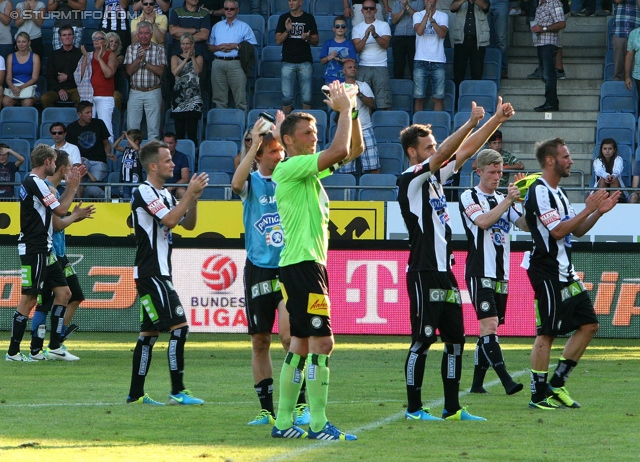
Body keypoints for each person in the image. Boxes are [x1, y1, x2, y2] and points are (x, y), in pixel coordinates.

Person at [397, 98, 515, 422]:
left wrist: (495, 120)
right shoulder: (410, 179)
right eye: (429, 146)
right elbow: (447, 152)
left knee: (456, 341)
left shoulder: (434, 180)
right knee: (422, 340)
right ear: (413, 152)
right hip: (422, 271)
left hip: (445, 272)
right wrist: (470, 122)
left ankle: (452, 407)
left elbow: (463, 152)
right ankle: (413, 408)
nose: (435, 150)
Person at [270, 81, 363, 440]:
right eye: (308, 133)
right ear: (288, 141)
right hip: (304, 265)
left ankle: (282, 423)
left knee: (301, 344)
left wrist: (351, 109)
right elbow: (339, 148)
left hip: (303, 264)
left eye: (315, 132)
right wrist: (341, 109)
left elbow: (353, 149)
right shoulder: (290, 167)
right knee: (323, 344)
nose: (314, 138)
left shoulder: (304, 170)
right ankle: (319, 424)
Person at [524, 138, 620, 410]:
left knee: (589, 324)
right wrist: (588, 208)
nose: (571, 161)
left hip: (565, 271)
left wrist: (597, 213)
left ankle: (556, 384)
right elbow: (556, 231)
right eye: (566, 157)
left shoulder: (559, 193)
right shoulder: (539, 191)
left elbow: (575, 231)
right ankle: (538, 396)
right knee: (547, 334)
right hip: (547, 272)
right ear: (551, 160)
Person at [231, 115, 311, 427]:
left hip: (288, 266)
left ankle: (300, 403)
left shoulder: (289, 178)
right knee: (259, 340)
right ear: (261, 156)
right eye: (274, 152)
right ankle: (266, 409)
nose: (280, 156)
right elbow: (236, 183)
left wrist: (281, 133)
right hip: (258, 269)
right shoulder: (252, 182)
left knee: (290, 335)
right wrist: (252, 142)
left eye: (281, 151)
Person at [127, 140, 209, 405]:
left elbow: (189, 225)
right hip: (151, 272)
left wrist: (193, 199)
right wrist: (187, 194)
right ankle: (177, 391)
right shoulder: (144, 191)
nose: (173, 164)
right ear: (153, 166)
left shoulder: (165, 195)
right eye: (168, 160)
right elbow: (170, 220)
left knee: (149, 335)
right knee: (180, 328)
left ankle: (136, 394)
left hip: (160, 271)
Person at [459, 148, 528, 395]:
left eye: (500, 172)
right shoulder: (469, 196)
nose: (497, 176)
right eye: (492, 172)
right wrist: (509, 201)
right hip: (479, 270)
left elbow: (525, 225)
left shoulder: (503, 199)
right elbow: (483, 222)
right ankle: (506, 380)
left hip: (502, 273)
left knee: (489, 328)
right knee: (489, 325)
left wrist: (525, 200)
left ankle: (477, 385)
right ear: (479, 171)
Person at [6, 144, 81, 362]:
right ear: (47, 161)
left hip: (44, 248)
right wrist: (73, 188)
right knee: (29, 299)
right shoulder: (35, 182)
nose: (56, 165)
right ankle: (13, 352)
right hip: (34, 247)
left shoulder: (34, 183)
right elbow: (59, 210)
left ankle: (54, 345)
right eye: (55, 161)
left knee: (64, 293)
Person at [29, 149, 94, 361]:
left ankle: (56, 339)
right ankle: (43, 347)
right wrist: (75, 215)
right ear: (63, 168)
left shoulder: (54, 190)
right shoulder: (48, 190)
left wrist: (75, 213)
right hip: (50, 252)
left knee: (73, 295)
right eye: (69, 167)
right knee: (50, 300)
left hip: (58, 253)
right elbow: (57, 225)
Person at [207, 1, 256, 112]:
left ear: (237, 10)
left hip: (236, 63)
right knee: (219, 100)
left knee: (240, 99)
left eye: (232, 9)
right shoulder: (216, 26)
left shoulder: (244, 27)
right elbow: (209, 47)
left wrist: (236, 46)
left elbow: (252, 46)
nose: (228, 11)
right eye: (226, 8)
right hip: (218, 63)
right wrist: (219, 47)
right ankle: (220, 126)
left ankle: (242, 125)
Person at [125, 21, 167, 141]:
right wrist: (138, 59)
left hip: (153, 91)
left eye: (146, 33)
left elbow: (160, 71)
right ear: (137, 34)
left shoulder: (159, 49)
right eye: (141, 33)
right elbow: (128, 71)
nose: (144, 36)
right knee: (132, 129)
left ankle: (152, 156)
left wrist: (145, 63)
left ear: (151, 34)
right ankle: (133, 156)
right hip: (135, 91)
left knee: (154, 129)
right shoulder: (131, 49)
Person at [275, 0, 319, 115]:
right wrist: (287, 30)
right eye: (289, 1)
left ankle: (306, 128)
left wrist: (307, 38)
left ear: (300, 2)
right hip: (287, 62)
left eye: (293, 0)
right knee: (286, 99)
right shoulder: (283, 18)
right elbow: (278, 41)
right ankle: (286, 128)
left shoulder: (309, 18)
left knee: (307, 98)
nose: (290, 3)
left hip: (305, 62)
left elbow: (316, 41)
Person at [65, 100, 116, 198]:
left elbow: (106, 142)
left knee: (91, 189)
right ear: (79, 114)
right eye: (87, 113)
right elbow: (70, 148)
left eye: (91, 112)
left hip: (98, 161)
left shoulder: (99, 123)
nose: (90, 115)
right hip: (81, 160)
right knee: (77, 178)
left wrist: (108, 153)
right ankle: (79, 202)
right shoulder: (71, 128)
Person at [339, 59, 380, 175]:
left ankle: (374, 192)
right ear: (343, 71)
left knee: (374, 167)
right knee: (346, 171)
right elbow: (336, 112)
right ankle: (348, 193)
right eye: (349, 67)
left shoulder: (363, 85)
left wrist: (358, 93)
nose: (353, 69)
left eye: (354, 67)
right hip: (346, 131)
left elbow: (371, 104)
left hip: (365, 129)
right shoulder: (339, 88)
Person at [77, 30, 118, 141]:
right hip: (89, 96)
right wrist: (85, 57)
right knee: (88, 127)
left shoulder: (111, 55)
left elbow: (108, 74)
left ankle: (108, 155)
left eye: (99, 38)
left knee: (106, 127)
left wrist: (99, 58)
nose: (96, 41)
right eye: (94, 39)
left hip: (105, 96)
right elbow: (80, 75)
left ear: (105, 42)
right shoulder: (89, 55)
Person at [351, 0, 392, 111]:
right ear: (362, 10)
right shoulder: (357, 28)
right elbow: (357, 49)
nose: (368, 10)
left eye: (371, 8)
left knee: (384, 102)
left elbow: (385, 45)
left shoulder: (384, 25)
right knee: (363, 104)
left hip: (381, 66)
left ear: (376, 10)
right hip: (364, 66)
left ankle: (384, 126)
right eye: (366, 8)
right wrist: (365, 37)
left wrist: (374, 35)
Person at [413, 0, 449, 113]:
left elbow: (442, 34)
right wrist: (426, 15)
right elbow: (419, 31)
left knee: (438, 98)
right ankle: (417, 129)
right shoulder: (417, 15)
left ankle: (437, 126)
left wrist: (432, 19)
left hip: (438, 61)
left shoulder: (443, 16)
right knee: (418, 98)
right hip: (420, 60)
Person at [529, 0, 565, 112]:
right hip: (540, 43)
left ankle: (552, 102)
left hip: (549, 43)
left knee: (549, 74)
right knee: (545, 74)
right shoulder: (540, 4)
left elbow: (561, 23)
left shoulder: (554, 2)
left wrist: (542, 28)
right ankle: (550, 101)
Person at [450, 0, 490, 93]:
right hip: (461, 41)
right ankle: (457, 103)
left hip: (478, 42)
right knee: (458, 74)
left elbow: (485, 6)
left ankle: (475, 100)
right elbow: (452, 7)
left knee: (477, 74)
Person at [171, 33, 203, 144]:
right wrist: (185, 60)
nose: (185, 46)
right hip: (179, 97)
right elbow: (175, 72)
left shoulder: (199, 57)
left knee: (192, 131)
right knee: (179, 131)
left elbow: (198, 71)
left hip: (194, 97)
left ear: (192, 44)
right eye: (183, 44)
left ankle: (193, 154)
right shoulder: (175, 57)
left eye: (188, 44)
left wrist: (192, 57)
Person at [41, 26, 83, 109]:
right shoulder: (54, 55)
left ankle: (77, 120)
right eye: (64, 35)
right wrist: (59, 89)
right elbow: (50, 76)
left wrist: (68, 77)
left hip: (76, 89)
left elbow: (84, 74)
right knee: (45, 98)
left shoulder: (80, 54)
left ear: (73, 36)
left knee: (82, 99)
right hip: (58, 89)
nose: (67, 37)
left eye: (69, 34)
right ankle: (52, 120)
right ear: (60, 38)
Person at [3, 32, 40, 108]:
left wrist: (21, 87)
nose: (21, 44)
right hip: (14, 88)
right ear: (16, 43)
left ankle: (25, 120)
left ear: (29, 43)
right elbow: (8, 78)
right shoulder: (11, 57)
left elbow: (35, 78)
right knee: (6, 102)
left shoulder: (35, 57)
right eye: (19, 42)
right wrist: (13, 87)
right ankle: (12, 120)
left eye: (24, 41)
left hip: (29, 88)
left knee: (27, 103)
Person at [391, 0, 424, 79]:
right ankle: (398, 88)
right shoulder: (397, 2)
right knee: (398, 65)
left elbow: (419, 18)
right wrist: (403, 9)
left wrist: (408, 6)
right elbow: (394, 20)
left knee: (414, 65)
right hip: (399, 36)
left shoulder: (419, 2)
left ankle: (415, 89)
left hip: (414, 37)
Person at [319, 15, 358, 85]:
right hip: (330, 79)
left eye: (343, 26)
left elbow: (353, 60)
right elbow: (322, 61)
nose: (340, 28)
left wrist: (341, 59)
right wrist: (329, 57)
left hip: (345, 79)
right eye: (337, 26)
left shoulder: (349, 44)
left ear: (346, 29)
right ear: (333, 29)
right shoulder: (328, 43)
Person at [611, 0, 640, 81]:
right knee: (619, 63)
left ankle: (635, 84)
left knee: (637, 65)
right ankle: (618, 83)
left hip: (637, 32)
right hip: (620, 32)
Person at [114, 129, 143, 200]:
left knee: (134, 199)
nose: (127, 141)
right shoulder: (126, 149)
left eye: (130, 139)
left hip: (135, 180)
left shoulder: (140, 151)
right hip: (125, 179)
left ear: (136, 141)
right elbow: (114, 146)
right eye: (127, 139)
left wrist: (127, 137)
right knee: (125, 198)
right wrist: (120, 139)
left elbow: (137, 148)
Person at [163, 132, 190, 199]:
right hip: (160, 187)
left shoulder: (182, 157)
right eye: (166, 143)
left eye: (171, 143)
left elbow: (185, 179)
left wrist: (170, 188)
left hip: (176, 187)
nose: (168, 145)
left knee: (182, 191)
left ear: (176, 143)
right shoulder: (157, 157)